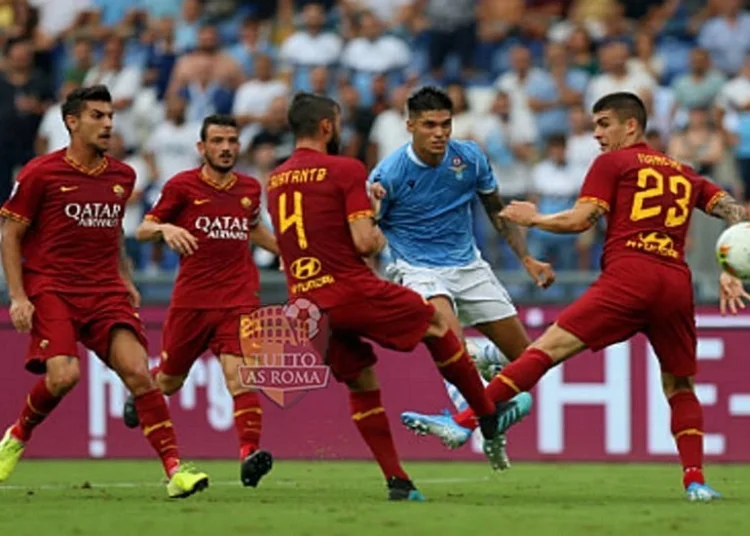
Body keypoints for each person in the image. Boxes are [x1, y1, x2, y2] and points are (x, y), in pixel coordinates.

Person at [414, 92, 750, 502]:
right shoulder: (683, 172)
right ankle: (695, 482)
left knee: (545, 349)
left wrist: (532, 217)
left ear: (632, 125)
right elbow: (734, 210)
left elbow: (579, 221)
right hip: (675, 285)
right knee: (680, 385)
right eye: (594, 125)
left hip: (631, 275)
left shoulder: (613, 164)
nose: (596, 134)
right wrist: (730, 269)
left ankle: (465, 420)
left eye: (604, 123)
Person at [267, 92, 502, 501]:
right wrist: (374, 216)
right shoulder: (344, 169)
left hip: (304, 305)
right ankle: (486, 413)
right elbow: (366, 243)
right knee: (435, 322)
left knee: (362, 382)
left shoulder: (276, 179)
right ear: (327, 126)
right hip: (346, 287)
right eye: (337, 123)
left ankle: (398, 481)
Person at [0, 85, 209, 498]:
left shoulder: (122, 176)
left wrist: (125, 276)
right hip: (53, 287)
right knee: (64, 377)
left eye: (110, 115)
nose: (108, 123)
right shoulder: (41, 173)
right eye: (97, 115)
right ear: (72, 122)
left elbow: (112, 231)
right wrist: (19, 296)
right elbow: (10, 234)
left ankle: (175, 471)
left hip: (104, 290)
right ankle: (17, 437)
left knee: (139, 375)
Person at [368, 86, 554, 470]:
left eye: (445, 124)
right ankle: (469, 423)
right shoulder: (388, 174)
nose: (439, 133)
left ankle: (482, 364)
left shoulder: (468, 157)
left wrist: (527, 259)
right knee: (449, 343)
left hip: (469, 266)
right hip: (417, 269)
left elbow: (495, 210)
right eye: (429, 125)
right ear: (410, 126)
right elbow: (365, 236)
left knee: (528, 359)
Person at [120, 115, 279, 487]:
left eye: (232, 141)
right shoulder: (182, 186)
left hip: (239, 298)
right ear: (202, 147)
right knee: (171, 382)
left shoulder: (249, 188)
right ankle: (142, 392)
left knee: (241, 377)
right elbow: (143, 229)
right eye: (218, 141)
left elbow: (252, 226)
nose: (226, 147)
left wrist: (288, 252)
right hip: (192, 302)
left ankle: (249, 454)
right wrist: (165, 227)